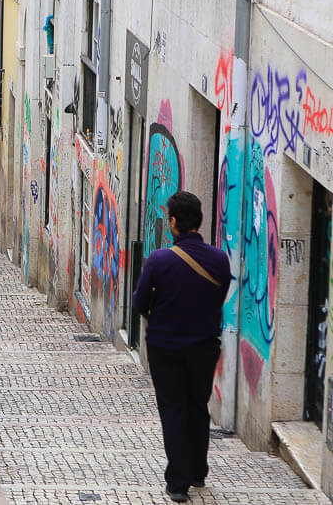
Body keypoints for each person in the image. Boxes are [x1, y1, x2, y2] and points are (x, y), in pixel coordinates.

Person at [132, 191, 231, 503]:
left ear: (172, 222)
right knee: (197, 407)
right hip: (204, 346)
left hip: (166, 348)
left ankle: (178, 483)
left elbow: (139, 303)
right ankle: (198, 471)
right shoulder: (219, 259)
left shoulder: (160, 260)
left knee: (174, 409)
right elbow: (220, 295)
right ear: (198, 221)